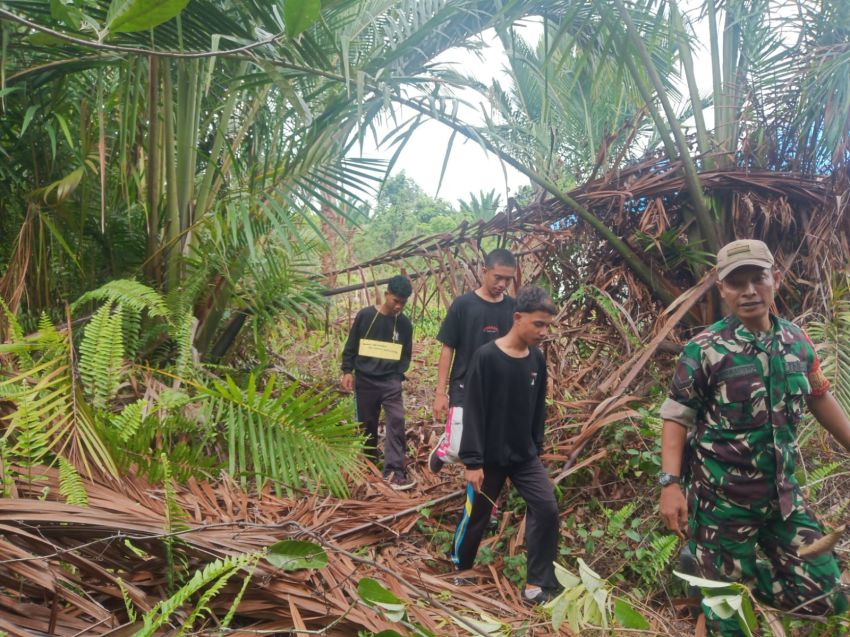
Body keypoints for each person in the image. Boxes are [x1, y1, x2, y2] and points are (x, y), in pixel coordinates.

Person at [659, 239, 850, 635]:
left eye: (757, 278)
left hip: (784, 499)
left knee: (827, 593)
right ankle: (718, 587)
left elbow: (820, 395)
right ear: (722, 289)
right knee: (730, 625)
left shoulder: (796, 341)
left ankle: (710, 577)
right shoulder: (705, 350)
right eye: (736, 282)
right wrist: (670, 485)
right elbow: (676, 418)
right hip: (722, 505)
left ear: (774, 280)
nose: (748, 291)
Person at [451, 285, 561, 605]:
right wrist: (473, 462)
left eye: (548, 326)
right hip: (488, 457)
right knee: (478, 516)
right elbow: (473, 410)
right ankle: (461, 565)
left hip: (524, 455)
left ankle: (537, 584)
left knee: (547, 508)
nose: (543, 332)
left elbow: (538, 405)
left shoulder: (536, 360)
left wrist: (536, 446)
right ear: (517, 317)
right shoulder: (486, 356)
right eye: (538, 324)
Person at [428, 249, 517, 473]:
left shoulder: (513, 308)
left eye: (508, 279)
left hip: (497, 388)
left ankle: (480, 503)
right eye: (498, 277)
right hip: (463, 384)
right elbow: (447, 348)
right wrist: (440, 393)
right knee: (460, 448)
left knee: (485, 450)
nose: (502, 284)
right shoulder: (463, 305)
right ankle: (444, 450)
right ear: (484, 271)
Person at [341, 275, 415, 490]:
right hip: (365, 380)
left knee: (397, 419)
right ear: (386, 295)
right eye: (395, 301)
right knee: (367, 422)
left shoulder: (404, 324)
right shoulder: (366, 316)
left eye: (403, 302)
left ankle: (394, 470)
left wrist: (397, 373)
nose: (398, 306)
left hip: (390, 381)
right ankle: (369, 460)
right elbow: (352, 344)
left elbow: (406, 354)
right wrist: (347, 370)